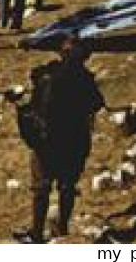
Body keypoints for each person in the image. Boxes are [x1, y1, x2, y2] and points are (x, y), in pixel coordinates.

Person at [16, 37, 106, 242]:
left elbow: (34, 105)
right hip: (75, 140)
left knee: (41, 187)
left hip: (47, 141)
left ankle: (37, 233)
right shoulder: (85, 79)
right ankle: (62, 227)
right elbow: (97, 103)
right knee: (67, 185)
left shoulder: (47, 75)